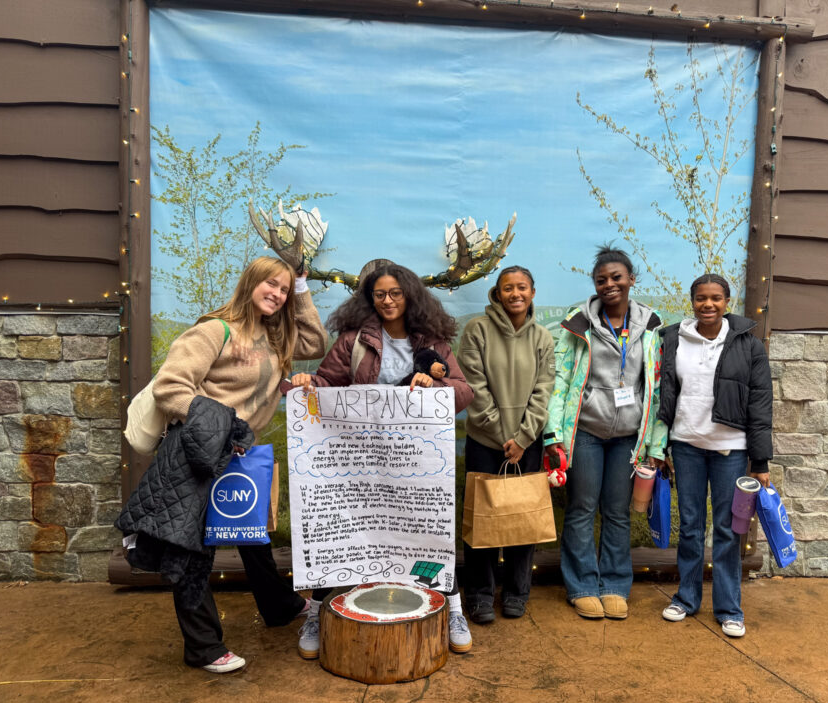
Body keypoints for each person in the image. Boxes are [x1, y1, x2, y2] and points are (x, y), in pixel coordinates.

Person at [118, 256, 328, 673]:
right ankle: (203, 647)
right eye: (271, 284)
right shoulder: (215, 330)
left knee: (250, 535)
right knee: (192, 552)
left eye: (283, 290)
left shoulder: (274, 337)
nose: (277, 294)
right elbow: (170, 388)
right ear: (250, 283)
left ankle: (279, 606)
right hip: (196, 453)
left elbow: (315, 343)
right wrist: (224, 425)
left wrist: (301, 288)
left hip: (236, 454)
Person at [293, 262, 475, 657]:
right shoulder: (353, 340)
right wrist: (310, 383)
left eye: (395, 293)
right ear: (369, 298)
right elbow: (329, 383)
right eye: (380, 294)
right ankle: (316, 612)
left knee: (428, 530)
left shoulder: (433, 341)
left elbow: (463, 392)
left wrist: (436, 384)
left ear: (409, 295)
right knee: (340, 528)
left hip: (417, 462)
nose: (388, 301)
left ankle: (454, 608)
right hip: (360, 458)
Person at [544, 246, 665, 621]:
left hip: (629, 436)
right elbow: (561, 378)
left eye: (617, 277)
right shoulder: (578, 322)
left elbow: (656, 388)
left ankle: (614, 585)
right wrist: (553, 434)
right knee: (581, 509)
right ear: (595, 285)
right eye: (602, 280)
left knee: (617, 512)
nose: (610, 284)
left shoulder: (652, 325)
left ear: (631, 279)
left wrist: (655, 443)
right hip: (586, 432)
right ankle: (581, 586)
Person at [656, 274, 772, 638]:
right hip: (687, 444)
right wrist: (660, 446)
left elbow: (760, 404)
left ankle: (728, 608)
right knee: (690, 525)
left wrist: (761, 461)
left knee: (727, 528)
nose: (708, 305)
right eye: (701, 298)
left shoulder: (748, 346)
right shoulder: (674, 339)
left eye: (716, 298)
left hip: (729, 449)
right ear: (691, 300)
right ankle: (685, 599)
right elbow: (664, 393)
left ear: (727, 301)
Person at [456, 266, 556, 623]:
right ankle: (480, 595)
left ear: (532, 292)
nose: (515, 294)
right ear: (497, 294)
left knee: (522, 519)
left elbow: (545, 389)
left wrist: (525, 437)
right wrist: (502, 437)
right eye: (507, 288)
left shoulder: (543, 336)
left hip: (527, 443)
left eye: (522, 287)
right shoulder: (477, 330)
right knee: (482, 521)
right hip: (485, 441)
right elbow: (474, 387)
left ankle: (517, 592)